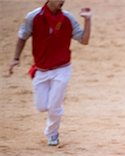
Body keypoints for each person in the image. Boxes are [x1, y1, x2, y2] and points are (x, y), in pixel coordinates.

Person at [9, 0, 92, 146]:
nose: (63, 1)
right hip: (41, 70)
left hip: (62, 69)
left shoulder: (68, 18)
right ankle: (55, 110)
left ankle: (52, 133)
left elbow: (84, 41)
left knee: (54, 106)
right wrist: (16, 58)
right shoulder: (33, 17)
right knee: (41, 106)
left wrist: (88, 20)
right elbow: (22, 36)